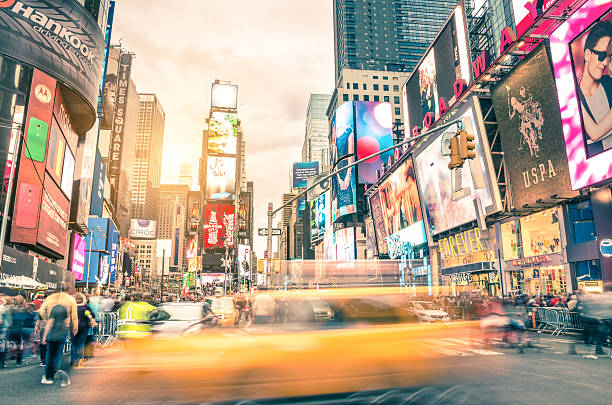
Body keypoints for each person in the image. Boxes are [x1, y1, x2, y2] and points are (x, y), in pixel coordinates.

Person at [578, 20, 612, 155]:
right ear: (587, 55)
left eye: (609, 57)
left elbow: (595, 133)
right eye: (602, 55)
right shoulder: (571, 95)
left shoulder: (609, 84)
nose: (604, 62)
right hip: (592, 172)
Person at [41, 302, 71, 386]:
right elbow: (67, 323)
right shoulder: (65, 315)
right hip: (61, 336)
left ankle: (49, 376)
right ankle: (57, 371)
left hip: (52, 336)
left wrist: (44, 337)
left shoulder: (53, 313)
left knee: (50, 356)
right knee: (58, 354)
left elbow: (49, 325)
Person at [71, 293, 96, 367]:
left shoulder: (73, 307)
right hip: (83, 327)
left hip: (73, 327)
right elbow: (92, 315)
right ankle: (79, 360)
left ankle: (73, 360)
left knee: (73, 343)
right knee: (81, 344)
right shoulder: (86, 308)